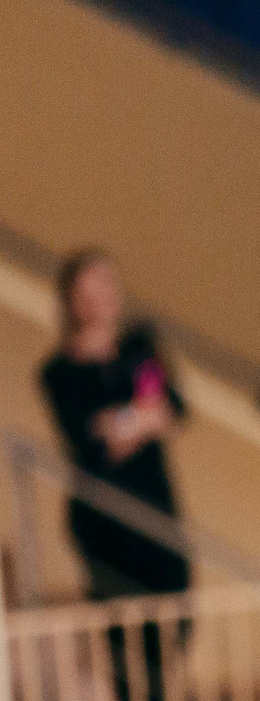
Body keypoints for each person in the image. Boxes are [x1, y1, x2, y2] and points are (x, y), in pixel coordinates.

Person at [37, 251, 190, 601]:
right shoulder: (60, 372)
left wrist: (119, 421)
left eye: (106, 287)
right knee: (122, 616)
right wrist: (142, 417)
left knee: (174, 605)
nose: (100, 300)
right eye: (88, 293)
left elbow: (173, 408)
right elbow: (91, 443)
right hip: (102, 515)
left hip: (155, 504)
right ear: (71, 301)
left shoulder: (138, 349)